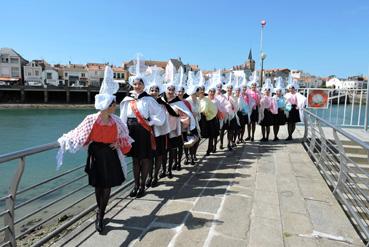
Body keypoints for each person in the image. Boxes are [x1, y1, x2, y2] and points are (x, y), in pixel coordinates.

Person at [56, 66, 134, 233]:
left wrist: (118, 144)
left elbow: (125, 136)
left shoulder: (117, 121)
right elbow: (78, 133)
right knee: (99, 185)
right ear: (107, 105)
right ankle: (100, 210)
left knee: (107, 187)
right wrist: (65, 140)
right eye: (114, 103)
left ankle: (101, 214)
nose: (116, 105)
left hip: (110, 154)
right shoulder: (91, 119)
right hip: (97, 154)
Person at [120, 56, 166, 198]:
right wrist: (122, 132)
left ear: (143, 85)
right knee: (135, 160)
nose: (137, 86)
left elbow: (160, 115)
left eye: (140, 83)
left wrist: (151, 123)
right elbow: (122, 118)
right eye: (135, 83)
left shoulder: (149, 100)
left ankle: (142, 186)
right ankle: (135, 185)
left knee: (145, 159)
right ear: (132, 84)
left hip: (144, 130)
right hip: (131, 130)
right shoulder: (128, 100)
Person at [161, 83, 196, 178]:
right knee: (163, 152)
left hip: (174, 130)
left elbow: (187, 115)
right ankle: (163, 170)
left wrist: (181, 120)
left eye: (172, 89)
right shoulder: (161, 100)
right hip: (162, 130)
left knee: (172, 150)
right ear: (165, 89)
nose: (170, 91)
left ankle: (170, 170)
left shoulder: (178, 102)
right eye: (169, 89)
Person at [145, 66, 172, 187]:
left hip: (160, 133)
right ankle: (149, 176)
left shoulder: (162, 104)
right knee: (150, 157)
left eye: (156, 90)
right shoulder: (145, 102)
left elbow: (164, 118)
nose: (154, 92)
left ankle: (155, 176)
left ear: (159, 91)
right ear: (149, 91)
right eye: (152, 90)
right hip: (149, 134)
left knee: (159, 156)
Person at [247, 74, 261, 142]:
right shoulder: (248, 92)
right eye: (252, 85)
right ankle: (249, 135)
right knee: (249, 123)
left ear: (256, 86)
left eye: (255, 85)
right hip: (249, 109)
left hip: (255, 110)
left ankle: (252, 136)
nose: (253, 86)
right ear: (251, 85)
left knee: (253, 123)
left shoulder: (258, 93)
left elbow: (259, 102)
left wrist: (258, 104)